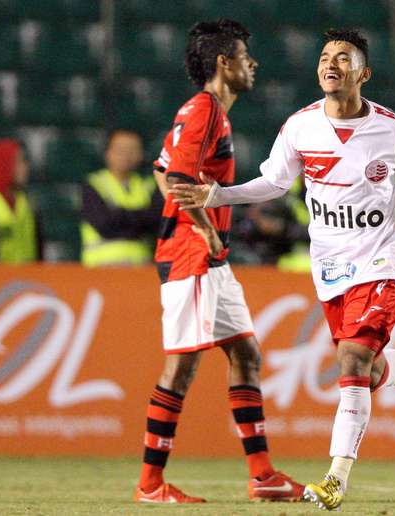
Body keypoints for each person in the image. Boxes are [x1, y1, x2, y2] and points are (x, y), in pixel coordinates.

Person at [170, 28, 395, 511]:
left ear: (363, 73)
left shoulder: (393, 130)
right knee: (369, 370)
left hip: (380, 259)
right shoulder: (301, 126)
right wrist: (217, 194)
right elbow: (272, 181)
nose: (331, 64)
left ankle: (336, 477)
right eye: (325, 57)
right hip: (330, 264)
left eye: (343, 58)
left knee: (352, 359)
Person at [134, 19, 305, 504]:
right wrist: (207, 233)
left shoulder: (208, 112)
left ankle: (263, 475)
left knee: (246, 355)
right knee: (181, 367)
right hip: (192, 254)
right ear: (225, 64)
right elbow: (182, 177)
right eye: (246, 56)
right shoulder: (205, 109)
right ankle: (150, 484)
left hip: (208, 258)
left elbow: (162, 168)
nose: (253, 64)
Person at [80, 129, 163, 267]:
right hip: (101, 269)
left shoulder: (149, 185)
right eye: (120, 149)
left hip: (141, 267)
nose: (126, 155)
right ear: (108, 153)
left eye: (132, 149)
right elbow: (103, 224)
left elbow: (156, 221)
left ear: (141, 154)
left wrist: (118, 215)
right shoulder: (94, 184)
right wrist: (140, 218)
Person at [233, 175, 310, 270]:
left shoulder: (315, 191)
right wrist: (257, 220)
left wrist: (281, 228)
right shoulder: (283, 185)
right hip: (276, 252)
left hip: (303, 251)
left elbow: (315, 233)